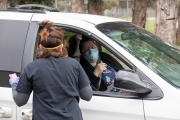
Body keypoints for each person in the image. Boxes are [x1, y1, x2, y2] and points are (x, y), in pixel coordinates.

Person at [9, 20, 92, 120]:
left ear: (40, 47)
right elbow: (87, 95)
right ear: (61, 47)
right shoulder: (74, 65)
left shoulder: (32, 67)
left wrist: (14, 83)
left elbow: (20, 101)